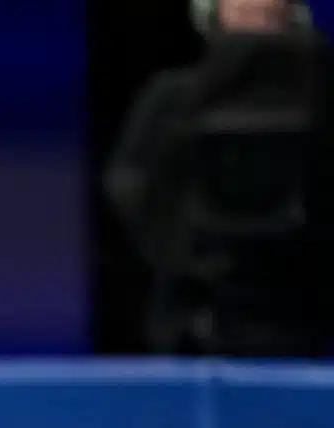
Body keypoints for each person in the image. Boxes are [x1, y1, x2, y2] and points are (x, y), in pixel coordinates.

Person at [105, 0, 328, 355]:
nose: (256, 19)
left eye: (269, 13)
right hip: (195, 312)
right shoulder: (171, 98)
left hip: (303, 313)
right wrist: (194, 255)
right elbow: (131, 186)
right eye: (244, 11)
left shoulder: (321, 103)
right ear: (214, 14)